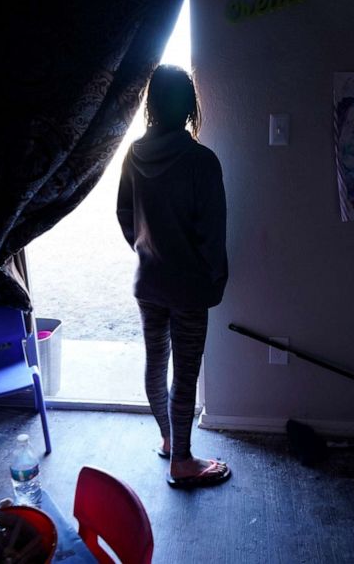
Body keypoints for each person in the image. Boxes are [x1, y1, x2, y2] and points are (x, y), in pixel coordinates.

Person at [116, 64, 230, 488]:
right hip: (188, 287)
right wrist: (212, 281)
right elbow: (212, 233)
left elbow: (125, 214)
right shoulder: (201, 161)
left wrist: (146, 249)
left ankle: (169, 440)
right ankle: (181, 460)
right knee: (185, 372)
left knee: (155, 362)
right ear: (188, 107)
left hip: (149, 281)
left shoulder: (134, 154)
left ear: (152, 105)